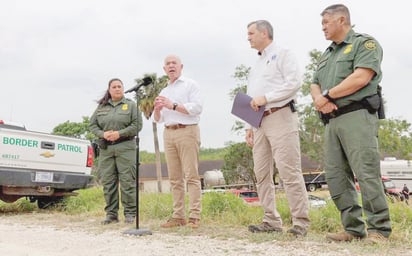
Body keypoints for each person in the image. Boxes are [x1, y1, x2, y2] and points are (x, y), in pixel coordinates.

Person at [310, 4, 392, 243]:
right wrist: (319, 98)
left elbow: (361, 76)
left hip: (357, 116)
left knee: (366, 172)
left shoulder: (364, 44)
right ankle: (353, 229)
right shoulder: (327, 53)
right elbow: (314, 82)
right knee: (336, 176)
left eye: (326, 22)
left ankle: (378, 229)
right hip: (332, 120)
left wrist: (327, 96)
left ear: (342, 20)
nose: (323, 27)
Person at [245, 20, 310, 237]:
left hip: (280, 115)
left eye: (251, 33)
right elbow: (252, 95)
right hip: (258, 122)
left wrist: (268, 97)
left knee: (288, 170)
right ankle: (271, 219)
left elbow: (293, 83)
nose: (248, 37)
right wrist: (248, 124)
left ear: (264, 33)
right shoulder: (256, 65)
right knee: (261, 172)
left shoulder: (283, 53)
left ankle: (300, 222)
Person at [154, 54, 203, 229]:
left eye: (174, 63)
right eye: (167, 63)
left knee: (191, 175)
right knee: (175, 178)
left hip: (187, 130)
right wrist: (158, 109)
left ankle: (195, 216)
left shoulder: (191, 85)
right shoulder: (164, 91)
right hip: (169, 132)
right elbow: (158, 119)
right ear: (164, 69)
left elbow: (197, 108)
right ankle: (178, 216)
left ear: (181, 66)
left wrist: (172, 105)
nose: (171, 66)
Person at [89, 78, 142, 224]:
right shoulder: (102, 107)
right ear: (109, 90)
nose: (117, 89)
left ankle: (130, 214)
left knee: (127, 181)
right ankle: (111, 214)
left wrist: (120, 133)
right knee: (108, 182)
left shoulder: (130, 105)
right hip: (106, 149)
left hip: (125, 147)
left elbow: (137, 125)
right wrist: (103, 134)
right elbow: (92, 125)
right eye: (114, 87)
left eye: (120, 86)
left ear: (123, 88)